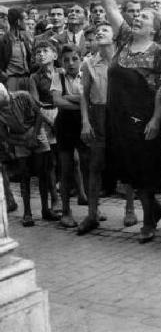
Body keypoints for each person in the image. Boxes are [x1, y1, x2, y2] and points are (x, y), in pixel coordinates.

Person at [90, 0, 161, 244]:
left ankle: (149, 220)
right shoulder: (124, 40)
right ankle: (155, 208)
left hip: (144, 119)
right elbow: (111, 9)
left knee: (144, 170)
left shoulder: (158, 52)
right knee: (128, 170)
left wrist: (156, 120)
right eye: (136, 15)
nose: (137, 18)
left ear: (154, 28)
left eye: (144, 17)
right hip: (119, 118)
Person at [0, 82, 58, 225]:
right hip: (18, 137)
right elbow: (5, 136)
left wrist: (33, 137)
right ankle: (27, 213)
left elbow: (39, 115)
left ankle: (46, 209)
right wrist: (23, 142)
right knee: (24, 176)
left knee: (43, 173)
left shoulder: (23, 96)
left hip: (36, 131)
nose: (4, 108)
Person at [77, 23, 114, 235]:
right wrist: (85, 121)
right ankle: (92, 214)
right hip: (98, 115)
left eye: (105, 30)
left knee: (127, 165)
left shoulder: (122, 60)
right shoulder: (89, 63)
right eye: (97, 32)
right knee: (95, 166)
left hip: (119, 116)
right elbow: (84, 95)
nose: (99, 33)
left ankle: (130, 209)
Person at [51, 43, 88, 228]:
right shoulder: (58, 76)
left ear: (81, 59)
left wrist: (71, 98)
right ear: (61, 62)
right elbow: (57, 100)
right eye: (66, 60)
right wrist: (81, 103)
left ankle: (93, 209)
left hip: (84, 124)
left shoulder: (86, 74)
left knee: (88, 166)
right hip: (65, 125)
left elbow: (89, 98)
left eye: (75, 59)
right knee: (65, 168)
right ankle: (66, 211)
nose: (71, 63)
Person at [30, 40, 61, 214]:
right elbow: (36, 104)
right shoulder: (34, 77)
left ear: (55, 55)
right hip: (45, 119)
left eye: (45, 51)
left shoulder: (61, 73)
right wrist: (51, 121)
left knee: (74, 159)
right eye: (38, 52)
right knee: (50, 161)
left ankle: (81, 194)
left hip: (62, 114)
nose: (41, 54)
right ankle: (55, 200)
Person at [0, 8, 32, 91]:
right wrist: (3, 76)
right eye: (25, 19)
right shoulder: (3, 41)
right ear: (18, 21)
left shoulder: (25, 38)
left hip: (27, 79)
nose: (27, 22)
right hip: (11, 80)